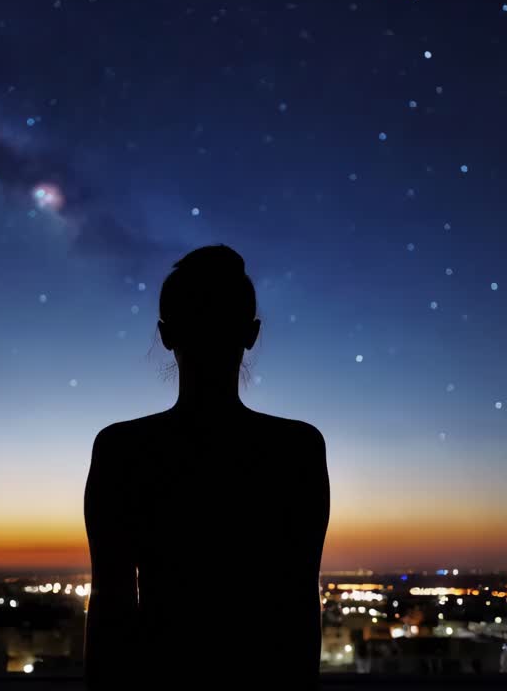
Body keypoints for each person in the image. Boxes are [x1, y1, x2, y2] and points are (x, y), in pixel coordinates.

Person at [84, 244, 330, 690]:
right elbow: (298, 604)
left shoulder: (123, 450)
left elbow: (111, 608)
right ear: (252, 332)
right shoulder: (297, 449)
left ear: (166, 334)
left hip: (161, 684)